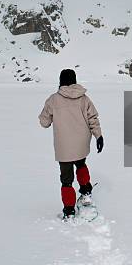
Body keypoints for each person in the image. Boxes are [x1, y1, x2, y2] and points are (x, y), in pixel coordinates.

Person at [38, 69, 104, 219]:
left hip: (64, 146)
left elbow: (44, 122)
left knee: (66, 180)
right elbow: (93, 118)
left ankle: (69, 210)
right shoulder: (84, 98)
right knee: (81, 164)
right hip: (81, 142)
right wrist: (98, 136)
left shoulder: (53, 100)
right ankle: (86, 192)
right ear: (74, 80)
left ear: (61, 81)